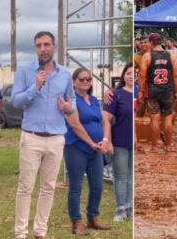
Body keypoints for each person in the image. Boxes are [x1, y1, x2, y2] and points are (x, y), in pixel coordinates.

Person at [11, 31, 76, 239]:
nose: (43, 49)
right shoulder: (24, 71)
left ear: (54, 47)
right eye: (38, 45)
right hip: (32, 137)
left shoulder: (65, 74)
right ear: (35, 48)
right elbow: (15, 101)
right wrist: (35, 87)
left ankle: (40, 231)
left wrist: (68, 107)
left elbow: (72, 101)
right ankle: (20, 233)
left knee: (48, 188)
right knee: (25, 187)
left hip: (56, 138)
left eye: (46, 44)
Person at [58, 68, 110, 236]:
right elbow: (75, 125)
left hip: (96, 149)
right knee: (76, 186)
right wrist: (91, 143)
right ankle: (76, 222)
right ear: (74, 82)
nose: (86, 81)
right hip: (76, 148)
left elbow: (103, 121)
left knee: (98, 185)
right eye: (82, 79)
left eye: (88, 79)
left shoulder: (94, 100)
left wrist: (104, 141)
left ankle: (92, 217)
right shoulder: (71, 101)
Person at [138, 33, 177, 152]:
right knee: (167, 119)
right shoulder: (171, 55)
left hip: (153, 91)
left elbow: (142, 76)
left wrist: (140, 91)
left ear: (151, 43)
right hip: (168, 90)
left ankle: (155, 146)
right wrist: (176, 91)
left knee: (154, 119)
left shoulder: (147, 56)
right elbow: (176, 75)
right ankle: (168, 145)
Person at [102, 63, 133, 221]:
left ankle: (129, 207)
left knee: (130, 176)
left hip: (135, 143)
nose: (132, 76)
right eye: (128, 73)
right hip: (119, 141)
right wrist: (108, 140)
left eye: (135, 73)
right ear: (123, 76)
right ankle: (120, 208)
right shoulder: (116, 95)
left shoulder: (141, 94)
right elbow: (105, 118)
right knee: (121, 175)